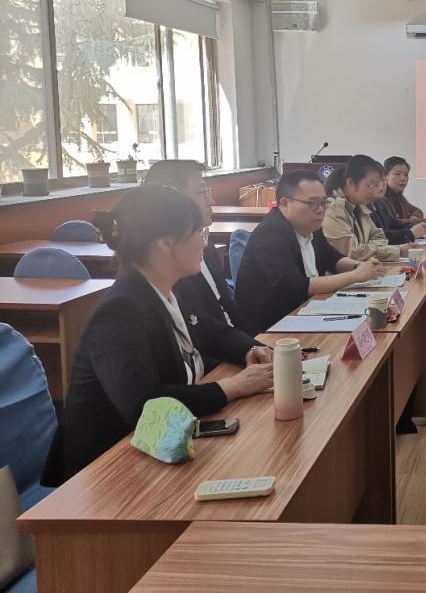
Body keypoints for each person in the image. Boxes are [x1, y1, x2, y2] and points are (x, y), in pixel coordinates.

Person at [44, 185, 274, 482]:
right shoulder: (119, 313)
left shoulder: (165, 289)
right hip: (107, 472)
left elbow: (209, 329)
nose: (203, 243)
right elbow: (145, 404)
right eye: (198, 233)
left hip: (160, 449)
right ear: (166, 243)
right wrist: (232, 387)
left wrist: (249, 349)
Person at [234, 170, 384, 334]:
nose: (320, 210)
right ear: (284, 204)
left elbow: (332, 258)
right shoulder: (270, 235)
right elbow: (296, 285)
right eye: (312, 203)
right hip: (271, 328)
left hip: (306, 312)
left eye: (323, 202)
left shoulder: (311, 226)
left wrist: (359, 266)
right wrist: (355, 276)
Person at [145, 160, 253, 358]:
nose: (211, 201)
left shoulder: (204, 245)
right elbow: (201, 328)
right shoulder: (165, 266)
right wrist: (250, 350)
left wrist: (258, 345)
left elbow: (229, 307)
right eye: (202, 193)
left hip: (237, 350)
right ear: (170, 199)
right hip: (216, 360)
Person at [322, 155, 415, 262]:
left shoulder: (360, 206)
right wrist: (395, 251)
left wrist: (368, 249)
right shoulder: (333, 209)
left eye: (376, 186)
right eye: (370, 186)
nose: (375, 191)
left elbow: (379, 236)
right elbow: (352, 252)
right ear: (350, 183)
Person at [369, 171, 426, 245]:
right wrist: (411, 233)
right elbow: (377, 237)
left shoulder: (381, 202)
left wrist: (417, 225)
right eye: (397, 174)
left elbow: (393, 223)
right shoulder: (363, 207)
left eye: (383, 180)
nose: (403, 178)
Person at [381, 156, 426, 227]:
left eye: (406, 174)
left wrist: (414, 217)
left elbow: (417, 211)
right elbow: (394, 223)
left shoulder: (399, 196)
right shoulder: (382, 198)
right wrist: (424, 221)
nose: (403, 178)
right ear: (385, 176)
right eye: (397, 174)